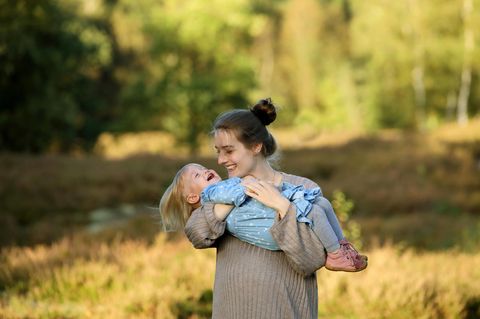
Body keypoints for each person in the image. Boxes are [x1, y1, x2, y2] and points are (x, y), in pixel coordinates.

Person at [163, 98, 366, 318]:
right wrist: (230, 200)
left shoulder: (302, 188)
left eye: (229, 151)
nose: (220, 160)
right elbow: (197, 232)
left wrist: (282, 205)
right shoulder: (221, 193)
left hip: (287, 311)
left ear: (256, 146)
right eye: (217, 151)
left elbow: (312, 258)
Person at [159, 162, 367, 272]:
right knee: (316, 212)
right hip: (270, 230)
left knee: (323, 203)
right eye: (197, 175)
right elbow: (238, 194)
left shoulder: (222, 187)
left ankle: (342, 247)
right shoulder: (211, 194)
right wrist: (248, 181)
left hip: (276, 220)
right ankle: (335, 256)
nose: (208, 170)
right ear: (193, 196)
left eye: (204, 168)